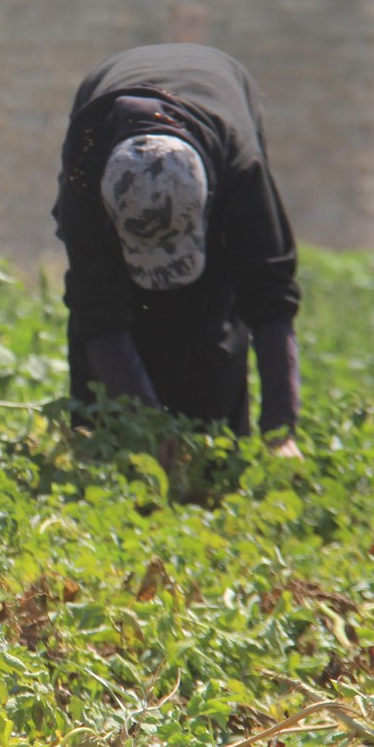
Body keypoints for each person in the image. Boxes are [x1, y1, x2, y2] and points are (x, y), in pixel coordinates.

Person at [52, 43, 302, 458]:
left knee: (212, 329)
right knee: (103, 312)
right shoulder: (86, 173)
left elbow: (271, 297)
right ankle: (100, 445)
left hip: (221, 94)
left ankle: (218, 458)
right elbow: (96, 310)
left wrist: (281, 430)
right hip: (105, 108)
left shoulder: (241, 170)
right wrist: (147, 423)